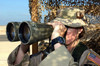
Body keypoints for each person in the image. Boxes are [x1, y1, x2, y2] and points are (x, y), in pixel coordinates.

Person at [8, 7, 99, 66]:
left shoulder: (88, 58)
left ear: (80, 30)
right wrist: (25, 43)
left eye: (66, 27)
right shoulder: (48, 52)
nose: (62, 31)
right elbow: (20, 64)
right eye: (60, 27)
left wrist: (57, 41)